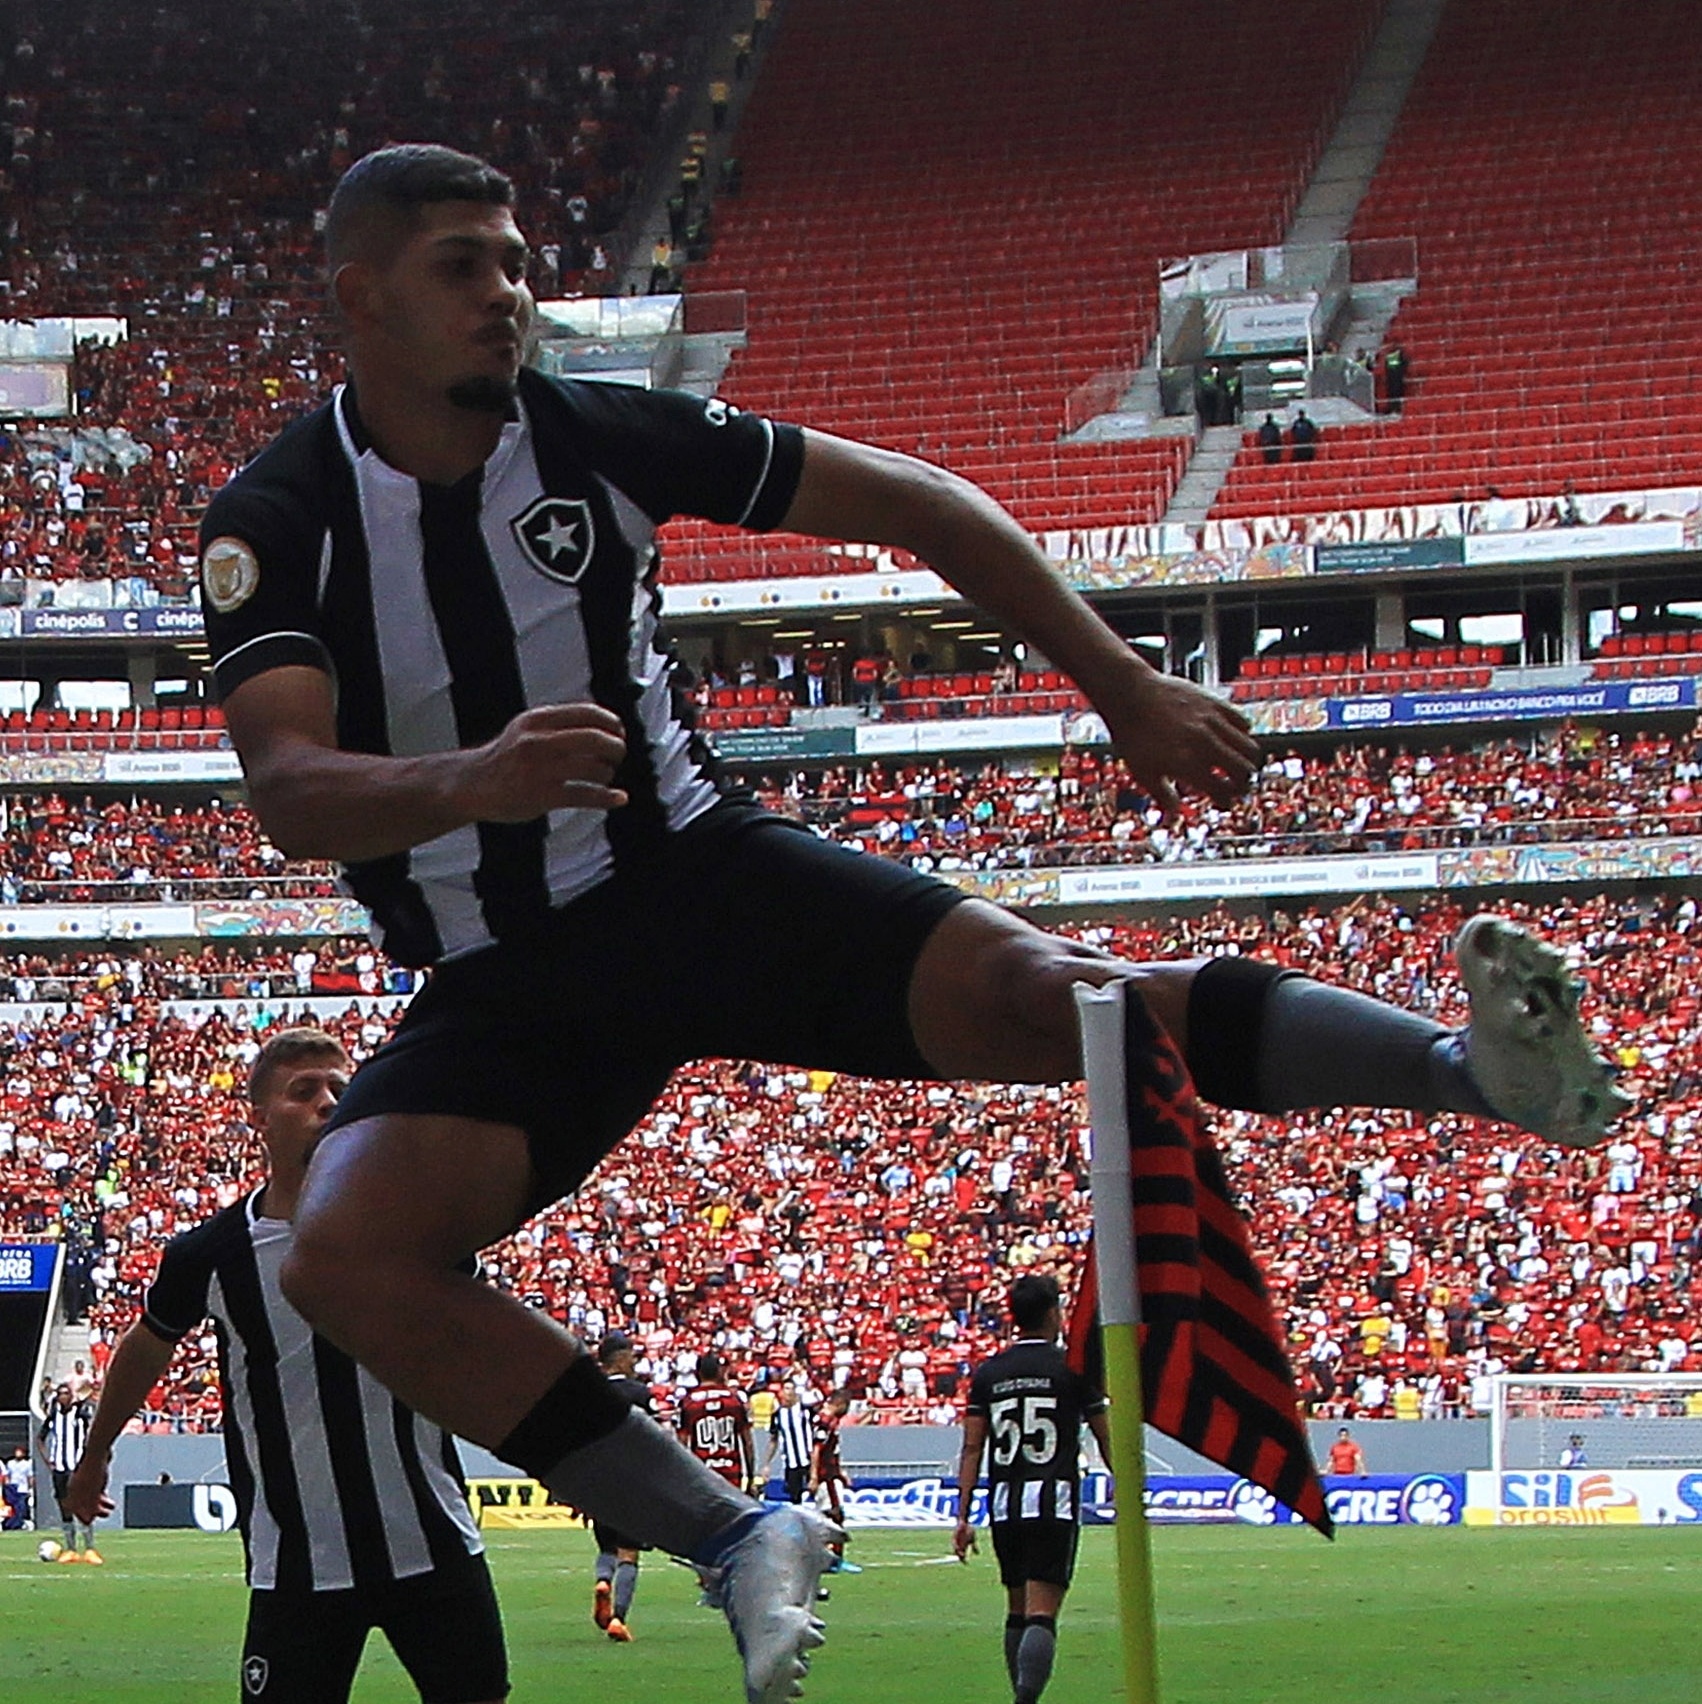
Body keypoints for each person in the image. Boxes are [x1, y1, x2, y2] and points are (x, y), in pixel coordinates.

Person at [199, 141, 1628, 1704]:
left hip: (698, 879)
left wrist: (1118, 680)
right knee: (340, 1253)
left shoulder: (597, 433)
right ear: (359, 299)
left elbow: (921, 502)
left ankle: (1471, 1073)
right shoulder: (284, 514)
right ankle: (732, 1534)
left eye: (516, 261)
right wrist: (476, 775)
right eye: (462, 266)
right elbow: (286, 781)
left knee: (1058, 998)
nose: (509, 296)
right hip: (508, 972)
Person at [63, 1029, 508, 1704]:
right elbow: (149, 1342)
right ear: (258, 1117)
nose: (329, 1102)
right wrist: (96, 1453)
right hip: (297, 1567)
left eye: (340, 1088)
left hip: (434, 1544)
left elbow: (485, 1334)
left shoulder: (418, 1229)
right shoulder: (210, 1255)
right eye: (304, 1091)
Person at [953, 1275, 1110, 1704]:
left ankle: (1022, 1696)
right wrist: (1130, 1490)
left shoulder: (990, 1374)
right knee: (1043, 1612)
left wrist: (962, 1516)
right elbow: (1104, 1435)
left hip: (1004, 1506)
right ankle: (1025, 1701)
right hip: (1053, 1502)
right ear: (1052, 1314)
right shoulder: (1073, 1369)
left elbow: (971, 1448)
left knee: (1017, 1610)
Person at [591, 1332, 653, 1643]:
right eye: (630, 1355)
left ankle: (603, 1580)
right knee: (629, 1554)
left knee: (606, 1547)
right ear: (618, 1358)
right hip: (631, 1482)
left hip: (599, 1481)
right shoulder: (639, 1392)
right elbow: (649, 1438)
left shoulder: (590, 1392)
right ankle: (618, 1617)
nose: (634, 1361)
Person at [679, 1352, 758, 1494]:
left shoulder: (689, 1403)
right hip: (731, 1474)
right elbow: (748, 1443)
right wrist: (750, 1477)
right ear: (718, 1372)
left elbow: (682, 1445)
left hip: (702, 1475)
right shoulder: (734, 1401)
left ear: (698, 1373)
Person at [38, 1382, 98, 1563]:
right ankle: (71, 1549)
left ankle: (89, 1549)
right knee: (64, 1507)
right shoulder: (54, 1415)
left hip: (76, 1467)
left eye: (66, 1394)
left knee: (82, 1505)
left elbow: (92, 1432)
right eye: (60, 1394)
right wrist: (48, 1460)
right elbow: (40, 1439)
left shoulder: (80, 1414)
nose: (63, 1397)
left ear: (71, 1396)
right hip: (60, 1470)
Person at [809, 1390, 858, 1574]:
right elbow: (816, 1450)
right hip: (825, 1476)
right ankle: (832, 1560)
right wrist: (814, 1475)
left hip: (831, 1473)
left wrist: (841, 1471)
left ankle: (825, 1557)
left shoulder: (827, 1420)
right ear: (840, 1403)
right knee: (834, 1515)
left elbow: (831, 1450)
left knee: (827, 1516)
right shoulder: (824, 1421)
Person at [761, 1380, 817, 1507]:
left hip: (809, 1461)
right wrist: (766, 1464)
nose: (789, 1392)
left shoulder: (806, 1411)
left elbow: (815, 1437)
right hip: (791, 1464)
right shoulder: (778, 1415)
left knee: (815, 1497)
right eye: (786, 1388)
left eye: (791, 1389)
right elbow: (773, 1440)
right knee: (795, 1499)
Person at [4, 1443, 33, 1530]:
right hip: (12, 1488)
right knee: (12, 1507)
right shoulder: (10, 1463)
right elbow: (7, 1475)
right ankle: (11, 1523)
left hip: (23, 1489)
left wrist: (30, 1488)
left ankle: (19, 1523)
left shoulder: (27, 1464)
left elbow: (30, 1477)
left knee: (21, 1507)